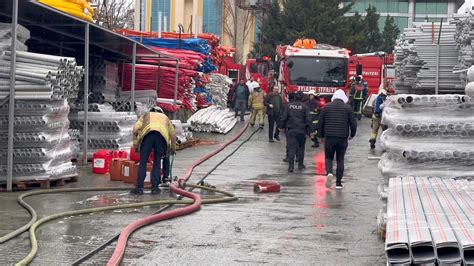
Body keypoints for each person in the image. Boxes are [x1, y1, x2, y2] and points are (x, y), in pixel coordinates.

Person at [131, 106, 176, 195]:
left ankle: (139, 188)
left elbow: (135, 129)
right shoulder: (165, 118)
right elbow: (173, 135)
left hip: (147, 136)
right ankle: (155, 188)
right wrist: (172, 149)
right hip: (161, 138)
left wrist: (136, 147)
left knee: (143, 163)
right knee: (157, 162)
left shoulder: (145, 116)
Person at [318, 89, 357, 190]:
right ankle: (339, 183)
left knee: (329, 158)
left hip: (329, 137)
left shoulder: (326, 107)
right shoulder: (348, 108)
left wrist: (321, 136)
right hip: (342, 138)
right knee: (340, 159)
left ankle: (329, 173)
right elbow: (353, 123)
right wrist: (352, 134)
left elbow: (320, 123)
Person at [279, 92, 311, 172]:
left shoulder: (289, 106)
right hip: (301, 130)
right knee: (301, 148)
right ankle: (300, 164)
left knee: (291, 148)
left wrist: (281, 127)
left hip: (291, 130)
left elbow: (284, 117)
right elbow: (308, 119)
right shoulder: (304, 107)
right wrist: (311, 130)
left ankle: (291, 166)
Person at [369, 85, 394, 149]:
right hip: (383, 117)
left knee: (374, 131)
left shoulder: (375, 99)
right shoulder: (386, 100)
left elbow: (372, 108)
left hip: (375, 117)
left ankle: (372, 141)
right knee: (384, 131)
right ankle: (385, 144)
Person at [282, 92, 296, 162]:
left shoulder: (286, 106)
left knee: (289, 143)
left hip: (289, 128)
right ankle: (298, 158)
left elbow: (283, 117)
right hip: (300, 128)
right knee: (298, 144)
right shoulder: (302, 106)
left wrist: (281, 126)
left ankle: (288, 157)